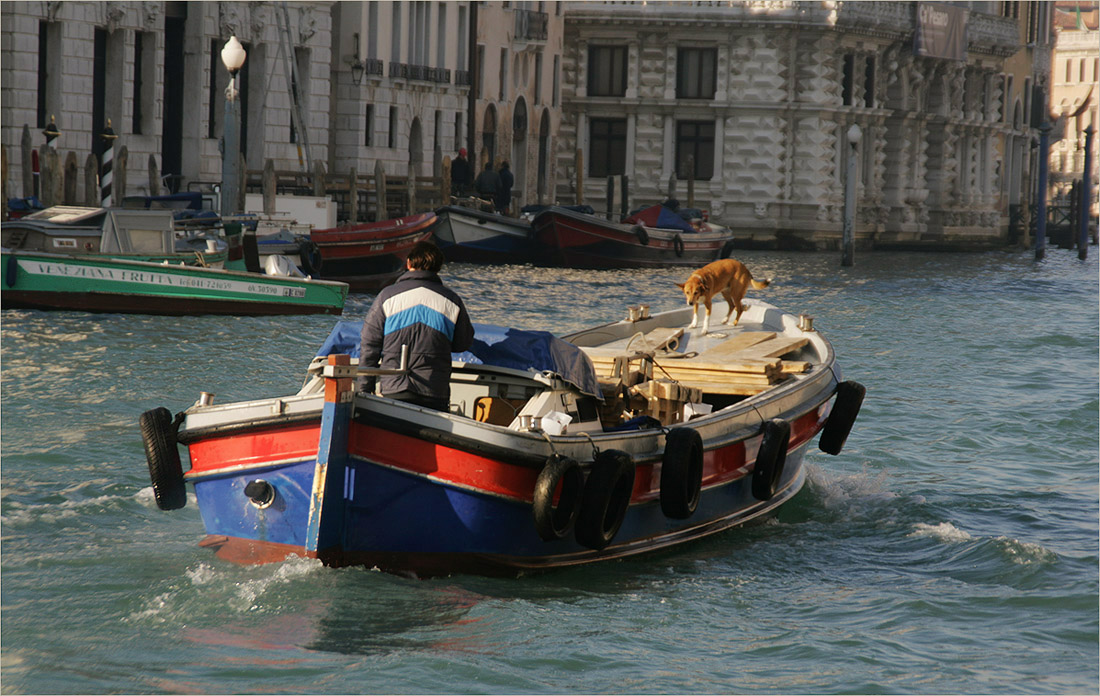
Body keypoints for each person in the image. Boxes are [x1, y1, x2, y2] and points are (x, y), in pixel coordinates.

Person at [358, 241, 474, 412]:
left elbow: (370, 346)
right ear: (438, 267)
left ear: (409, 263)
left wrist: (365, 390)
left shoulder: (387, 296)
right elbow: (462, 344)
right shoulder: (452, 300)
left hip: (394, 387)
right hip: (434, 389)